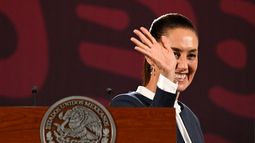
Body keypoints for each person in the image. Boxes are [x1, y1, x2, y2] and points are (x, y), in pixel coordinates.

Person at [110, 13, 204, 143]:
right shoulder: (124, 106)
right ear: (150, 57)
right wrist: (167, 76)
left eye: (191, 55)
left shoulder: (190, 117)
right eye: (175, 54)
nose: (183, 66)